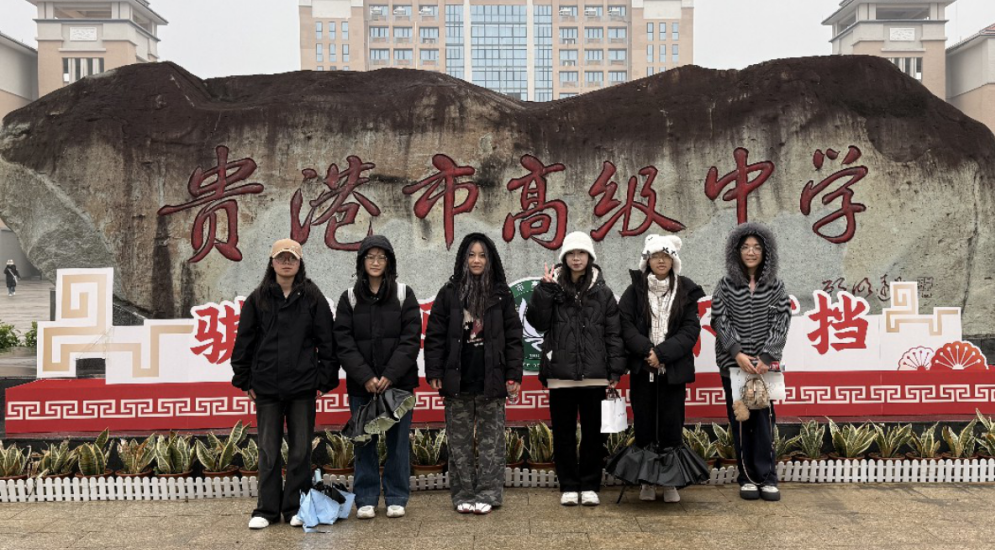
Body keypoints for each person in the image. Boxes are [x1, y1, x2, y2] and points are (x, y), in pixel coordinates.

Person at [231, 238, 338, 529]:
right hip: (266, 388)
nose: (286, 263)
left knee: (301, 450)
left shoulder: (312, 297)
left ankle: (294, 508)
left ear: (300, 263)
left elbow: (327, 341)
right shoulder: (258, 298)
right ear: (272, 262)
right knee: (268, 450)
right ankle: (266, 510)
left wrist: (324, 379)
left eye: (292, 258)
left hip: (302, 387)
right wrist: (244, 380)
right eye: (281, 258)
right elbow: (244, 343)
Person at [424, 233, 523, 515]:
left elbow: (514, 337)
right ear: (463, 259)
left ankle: (488, 494)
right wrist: (434, 371)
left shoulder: (501, 295)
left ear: (490, 260)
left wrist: (514, 374)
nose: (476, 260)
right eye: (471, 255)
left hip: (492, 380)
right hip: (458, 381)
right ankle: (464, 494)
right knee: (459, 444)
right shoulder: (449, 293)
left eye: (482, 255)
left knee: (492, 444)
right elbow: (435, 335)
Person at [526, 231, 625, 507]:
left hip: (595, 375)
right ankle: (569, 485)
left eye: (581, 253)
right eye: (571, 253)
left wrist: (615, 371)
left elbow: (614, 334)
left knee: (594, 434)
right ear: (564, 258)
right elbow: (537, 323)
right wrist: (544, 291)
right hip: (561, 375)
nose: (576, 258)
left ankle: (590, 484)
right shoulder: (552, 288)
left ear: (589, 257)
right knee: (563, 433)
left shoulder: (603, 293)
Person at [334, 235, 421, 520]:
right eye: (370, 257)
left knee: (398, 443)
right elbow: (343, 342)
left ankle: (396, 496)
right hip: (363, 386)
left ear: (389, 262)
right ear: (361, 262)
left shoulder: (403, 294)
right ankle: (367, 498)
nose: (375, 262)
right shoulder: (349, 298)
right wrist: (366, 376)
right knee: (364, 442)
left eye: (381, 257)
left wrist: (389, 375)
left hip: (399, 385)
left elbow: (410, 340)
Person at [618, 234, 705, 503]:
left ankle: (670, 483)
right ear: (647, 260)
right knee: (644, 425)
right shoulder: (634, 291)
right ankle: (646, 481)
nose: (661, 261)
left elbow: (690, 330)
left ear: (673, 260)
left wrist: (662, 354)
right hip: (643, 370)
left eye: (666, 256)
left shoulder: (686, 290)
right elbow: (625, 326)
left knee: (671, 426)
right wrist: (648, 352)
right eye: (655, 256)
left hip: (673, 371)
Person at [711, 222, 792, 502]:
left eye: (757, 247)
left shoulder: (776, 285)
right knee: (742, 421)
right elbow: (719, 319)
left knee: (764, 422)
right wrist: (737, 353)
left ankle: (767, 478)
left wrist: (766, 357)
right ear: (736, 251)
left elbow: (782, 321)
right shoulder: (725, 285)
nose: (751, 252)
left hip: (763, 368)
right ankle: (747, 478)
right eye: (745, 247)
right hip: (735, 366)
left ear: (766, 252)